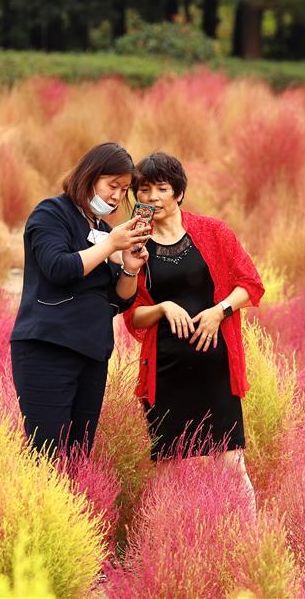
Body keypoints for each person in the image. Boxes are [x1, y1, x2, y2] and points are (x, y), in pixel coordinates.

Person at [123, 152, 265, 503]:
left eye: (162, 188)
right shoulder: (135, 245)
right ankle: (164, 542)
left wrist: (220, 311)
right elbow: (133, 316)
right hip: (167, 373)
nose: (152, 197)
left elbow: (251, 284)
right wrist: (162, 307)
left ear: (179, 193)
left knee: (232, 466)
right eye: (143, 190)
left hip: (215, 371)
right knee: (166, 472)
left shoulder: (213, 232)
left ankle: (247, 543)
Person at [11, 142, 151, 456]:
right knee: (47, 455)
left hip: (91, 355)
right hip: (47, 349)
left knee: (78, 455)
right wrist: (111, 244)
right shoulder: (51, 213)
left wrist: (129, 268)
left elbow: (120, 301)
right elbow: (58, 268)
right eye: (112, 185)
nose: (117, 196)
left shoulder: (103, 229)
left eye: (124, 189)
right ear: (89, 176)